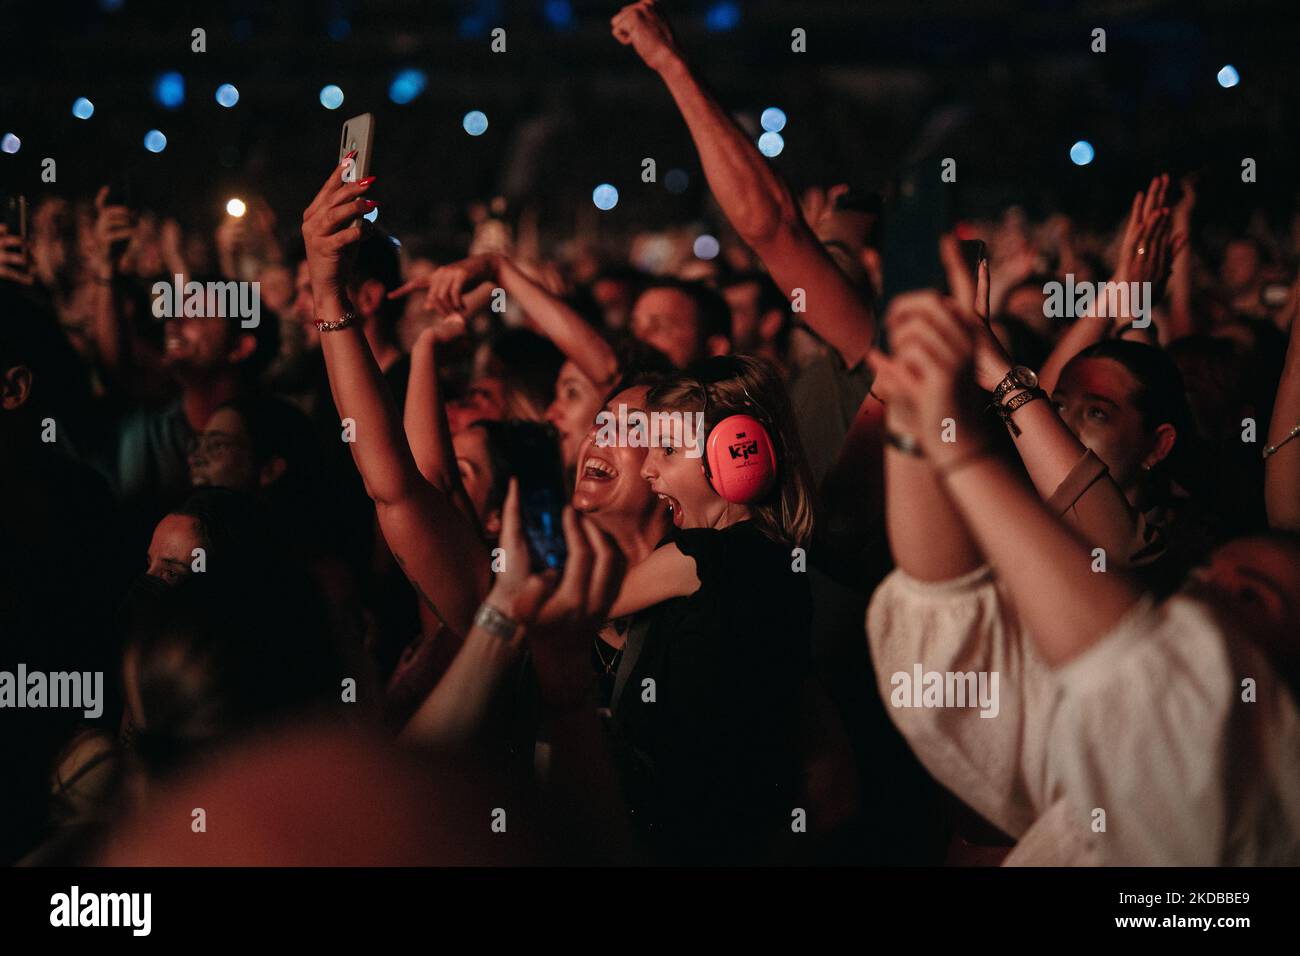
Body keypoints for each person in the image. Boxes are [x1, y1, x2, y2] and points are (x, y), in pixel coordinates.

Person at [866, 291, 1300, 864]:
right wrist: (911, 420)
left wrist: (966, 443)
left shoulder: (1258, 794)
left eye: (1249, 596)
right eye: (1058, 404)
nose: (1205, 598)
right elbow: (948, 630)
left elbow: (1137, 660)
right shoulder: (1108, 734)